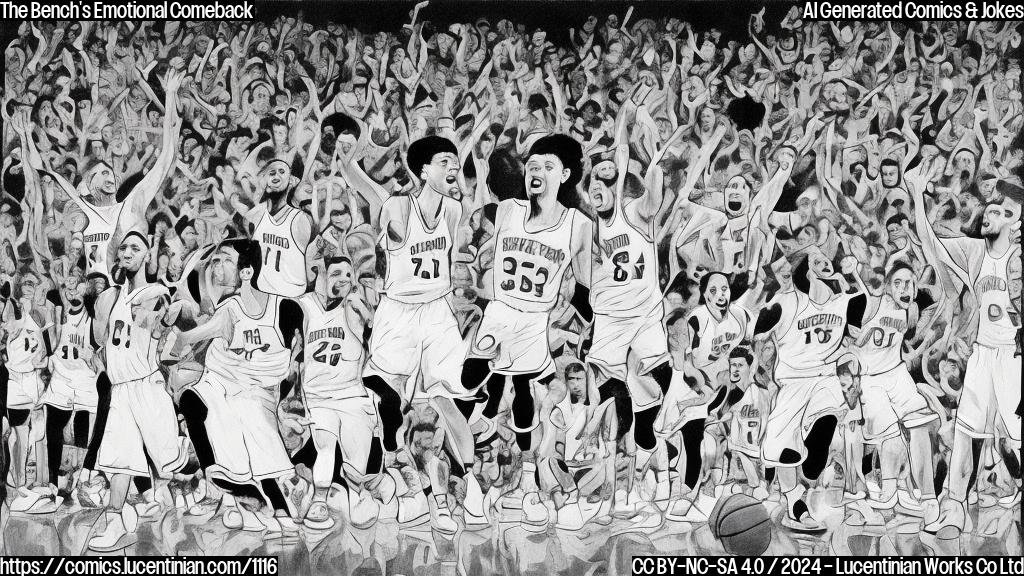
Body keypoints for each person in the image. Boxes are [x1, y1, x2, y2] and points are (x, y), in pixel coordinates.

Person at [461, 134, 594, 531]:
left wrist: (577, 331)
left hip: (536, 319)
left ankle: (525, 481)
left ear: (565, 175)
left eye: (546, 167)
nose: (536, 173)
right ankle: (482, 417)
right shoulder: (506, 211)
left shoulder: (578, 224)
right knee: (471, 375)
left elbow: (585, 289)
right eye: (532, 166)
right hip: (501, 311)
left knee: (521, 390)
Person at [361, 136, 481, 535]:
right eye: (444, 161)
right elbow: (380, 204)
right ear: (422, 170)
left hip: (437, 309)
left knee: (448, 400)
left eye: (455, 161)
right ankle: (402, 478)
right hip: (399, 309)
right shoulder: (397, 206)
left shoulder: (453, 208)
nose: (452, 167)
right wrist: (349, 166)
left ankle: (470, 482)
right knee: (387, 397)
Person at [169, 239, 305, 537]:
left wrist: (290, 399)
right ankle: (218, 479)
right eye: (215, 260)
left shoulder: (286, 308)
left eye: (226, 260)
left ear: (245, 272)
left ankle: (278, 510)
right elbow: (196, 335)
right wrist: (177, 339)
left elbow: (296, 362)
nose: (217, 265)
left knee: (260, 450)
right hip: (223, 382)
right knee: (192, 400)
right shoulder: (229, 307)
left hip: (259, 389)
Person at [913, 177, 1022, 535]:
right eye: (987, 210)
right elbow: (930, 241)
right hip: (983, 354)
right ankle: (955, 509)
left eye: (996, 211)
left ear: (1012, 217)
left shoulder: (1019, 255)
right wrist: (916, 193)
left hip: (1016, 356)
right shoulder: (975, 252)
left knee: (1017, 442)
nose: (986, 215)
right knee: (965, 433)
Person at [297, 256, 395, 530]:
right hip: (317, 396)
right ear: (322, 275)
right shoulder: (304, 306)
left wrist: (364, 313)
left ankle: (360, 489)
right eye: (336, 272)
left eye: (348, 274)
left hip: (352, 394)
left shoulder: (356, 304)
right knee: (325, 445)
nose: (343, 278)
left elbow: (374, 330)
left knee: (357, 469)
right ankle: (319, 499)